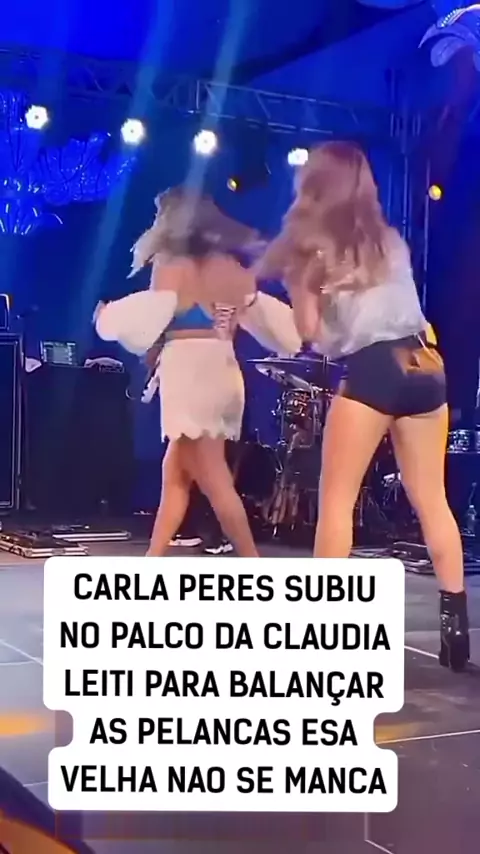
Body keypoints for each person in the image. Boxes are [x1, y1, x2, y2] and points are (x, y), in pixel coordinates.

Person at [257, 141, 469, 672]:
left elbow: (310, 334)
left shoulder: (312, 249)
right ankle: (456, 633)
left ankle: (321, 639)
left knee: (336, 503)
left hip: (374, 366)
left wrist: (299, 289)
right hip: (427, 364)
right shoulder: (388, 240)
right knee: (433, 501)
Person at [96, 187, 301, 557]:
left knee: (213, 477)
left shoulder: (171, 264)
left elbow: (153, 320)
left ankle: (254, 562)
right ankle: (152, 559)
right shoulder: (232, 268)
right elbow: (256, 319)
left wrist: (109, 318)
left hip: (189, 371)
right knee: (175, 472)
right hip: (223, 368)